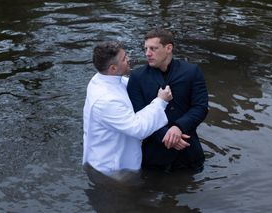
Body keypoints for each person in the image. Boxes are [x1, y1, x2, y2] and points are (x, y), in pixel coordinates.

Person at [82, 41, 182, 178]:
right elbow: (138, 128)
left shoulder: (104, 78)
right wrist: (160, 102)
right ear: (112, 68)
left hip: (110, 156)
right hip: (112, 169)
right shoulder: (106, 100)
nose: (128, 59)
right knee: (125, 198)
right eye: (124, 59)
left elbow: (131, 85)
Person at [127, 28, 209, 172]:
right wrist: (166, 136)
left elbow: (200, 107)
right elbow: (137, 115)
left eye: (153, 48)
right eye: (145, 48)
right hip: (153, 156)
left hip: (189, 150)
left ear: (168, 48)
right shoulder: (137, 77)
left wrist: (179, 127)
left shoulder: (192, 72)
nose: (147, 53)